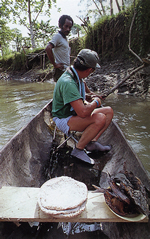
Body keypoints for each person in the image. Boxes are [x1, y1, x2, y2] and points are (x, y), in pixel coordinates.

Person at [52, 49, 113, 165]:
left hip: (72, 113)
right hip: (63, 118)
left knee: (109, 112)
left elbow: (81, 96)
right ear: (90, 70)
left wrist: (92, 97)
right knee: (100, 118)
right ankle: (78, 149)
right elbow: (83, 113)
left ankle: (91, 142)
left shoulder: (76, 76)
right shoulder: (68, 82)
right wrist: (96, 102)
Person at [45, 15, 74, 82]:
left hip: (65, 70)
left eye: (70, 27)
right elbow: (48, 48)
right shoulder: (57, 36)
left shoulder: (64, 39)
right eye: (66, 26)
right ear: (60, 25)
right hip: (60, 71)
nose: (68, 29)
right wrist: (55, 64)